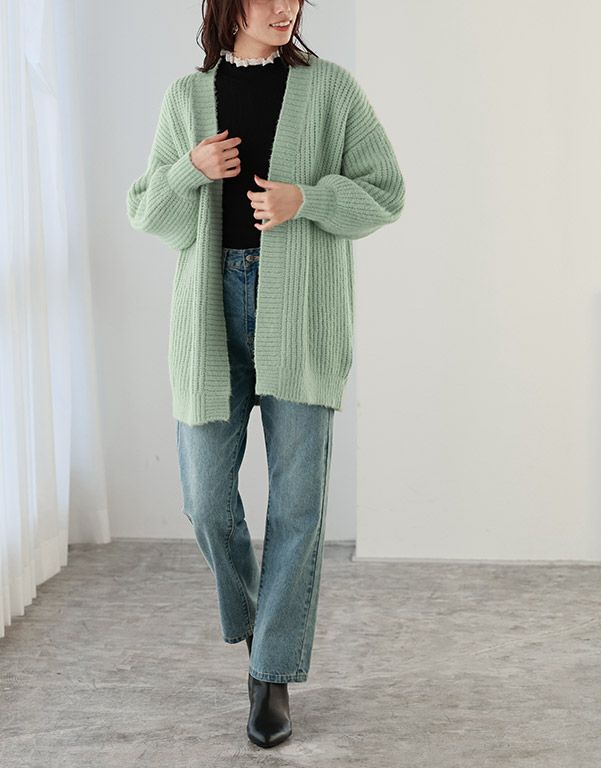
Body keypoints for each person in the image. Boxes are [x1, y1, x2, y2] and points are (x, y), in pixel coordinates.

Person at [126, 0, 405, 749]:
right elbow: (148, 214)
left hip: (302, 313)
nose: (286, 7)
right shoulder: (187, 98)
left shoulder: (331, 88)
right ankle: (263, 628)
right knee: (206, 502)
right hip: (209, 311)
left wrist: (304, 200)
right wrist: (189, 172)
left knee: (298, 505)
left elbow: (386, 192)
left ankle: (272, 675)